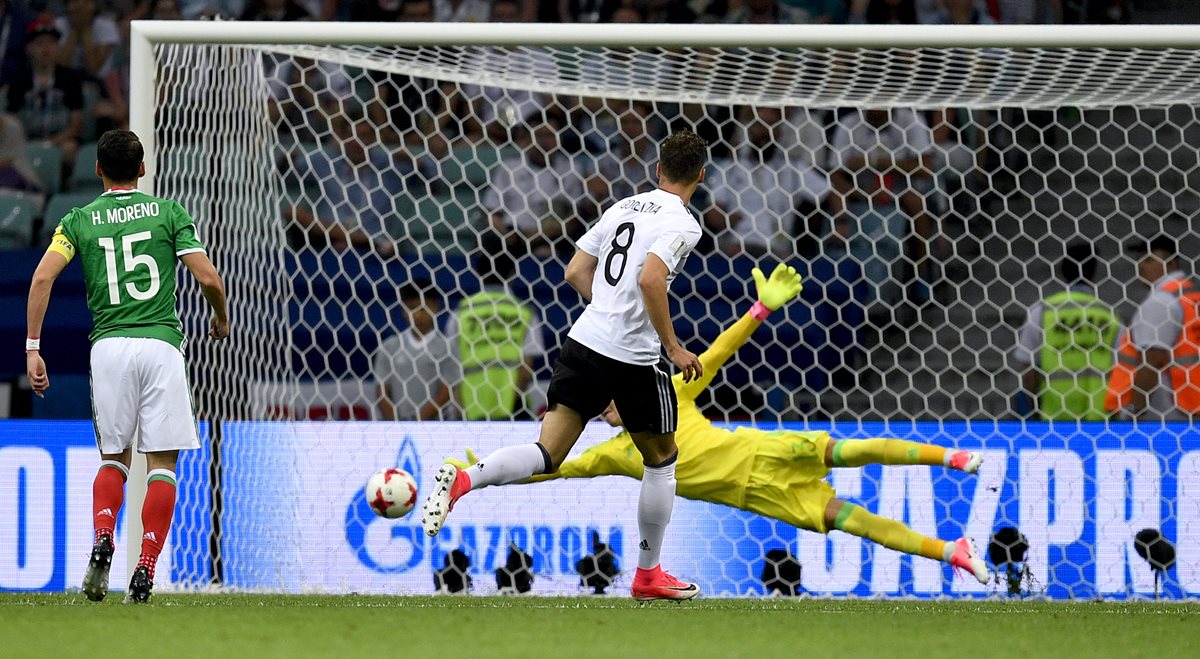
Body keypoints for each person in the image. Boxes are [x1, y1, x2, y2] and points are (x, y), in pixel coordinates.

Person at [446, 264, 989, 585]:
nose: (608, 406)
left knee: (855, 450)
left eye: (612, 398)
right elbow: (551, 469)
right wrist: (478, 473)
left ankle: (954, 458)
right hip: (762, 498)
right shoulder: (615, 454)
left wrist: (761, 309)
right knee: (855, 521)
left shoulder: (669, 396)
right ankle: (951, 551)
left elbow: (720, 351)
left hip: (764, 451)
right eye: (602, 406)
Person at [423, 130, 708, 602]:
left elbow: (575, 271)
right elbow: (652, 280)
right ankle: (648, 574)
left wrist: (608, 311)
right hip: (634, 358)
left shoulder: (622, 207)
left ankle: (466, 479)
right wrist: (674, 347)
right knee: (662, 461)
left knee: (547, 452)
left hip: (583, 343)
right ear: (700, 175)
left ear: (657, 170)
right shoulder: (684, 223)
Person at [25, 129, 230, 603]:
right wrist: (220, 317)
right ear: (142, 169)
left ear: (97, 169)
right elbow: (208, 277)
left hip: (110, 348)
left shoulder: (78, 219)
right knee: (163, 465)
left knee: (114, 458)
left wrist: (33, 348)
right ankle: (146, 566)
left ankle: (103, 537)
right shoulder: (168, 212)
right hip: (161, 346)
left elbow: (41, 277)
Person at [1012, 241, 1119, 421]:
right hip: (1100, 420)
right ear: (1094, 273)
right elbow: (1121, 370)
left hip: (1054, 418)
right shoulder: (1109, 316)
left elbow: (1029, 371)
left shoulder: (1043, 311)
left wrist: (1033, 413)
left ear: (1062, 271)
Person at [446, 239, 546, 420]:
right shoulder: (524, 311)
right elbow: (526, 364)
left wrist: (459, 405)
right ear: (512, 272)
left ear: (477, 272)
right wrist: (513, 399)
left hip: (471, 404)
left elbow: (453, 365)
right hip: (512, 404)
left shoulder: (462, 311)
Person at [1106, 234, 1200, 421]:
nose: (1141, 266)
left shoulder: (1161, 302)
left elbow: (1152, 359)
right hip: (1190, 406)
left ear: (1171, 264)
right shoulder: (1191, 296)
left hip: (1166, 415)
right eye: (1139, 259)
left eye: (1149, 260)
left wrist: (1133, 412)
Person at [373, 281, 459, 421]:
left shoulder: (448, 348)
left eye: (424, 308)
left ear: (435, 308)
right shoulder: (389, 346)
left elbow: (446, 393)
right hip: (396, 429)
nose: (418, 315)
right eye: (412, 308)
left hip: (435, 429)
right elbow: (382, 392)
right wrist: (397, 425)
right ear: (403, 310)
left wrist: (416, 423)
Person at [7, 15, 85, 166]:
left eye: (51, 43)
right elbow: (11, 120)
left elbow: (76, 124)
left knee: (70, 148)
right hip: (26, 140)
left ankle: (65, 187)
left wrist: (50, 142)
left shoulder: (70, 79)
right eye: (39, 43)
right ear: (29, 48)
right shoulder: (19, 80)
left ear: (58, 47)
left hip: (60, 140)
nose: (46, 49)